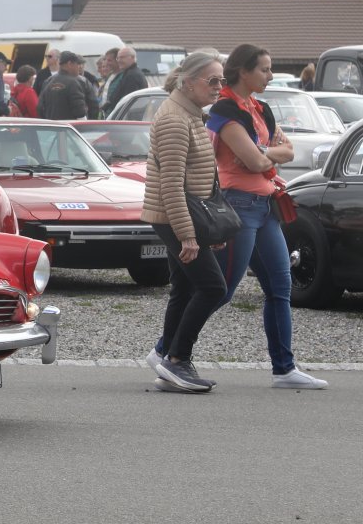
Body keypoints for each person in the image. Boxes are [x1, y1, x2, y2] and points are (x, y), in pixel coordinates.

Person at [206, 44, 327, 389]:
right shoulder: (225, 110)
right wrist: (266, 154)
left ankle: (284, 369)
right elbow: (255, 161)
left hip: (264, 205)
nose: (271, 76)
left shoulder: (259, 108)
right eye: (264, 69)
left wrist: (263, 151)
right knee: (221, 289)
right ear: (243, 71)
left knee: (280, 286)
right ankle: (169, 351)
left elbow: (286, 150)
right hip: (240, 205)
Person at [141, 49, 228, 393]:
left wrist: (206, 230)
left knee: (186, 288)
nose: (219, 86)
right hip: (175, 217)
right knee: (213, 288)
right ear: (189, 82)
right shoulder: (176, 120)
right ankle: (177, 360)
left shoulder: (189, 114)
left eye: (221, 80)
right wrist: (188, 235)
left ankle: (168, 359)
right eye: (212, 80)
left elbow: (195, 178)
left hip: (182, 216)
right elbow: (171, 185)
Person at [38, 51, 100, 120]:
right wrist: (90, 122)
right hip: (71, 125)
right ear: (69, 64)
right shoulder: (78, 82)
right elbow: (85, 109)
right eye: (77, 64)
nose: (79, 67)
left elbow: (40, 108)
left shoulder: (48, 81)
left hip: (52, 125)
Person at [103, 45, 148, 116]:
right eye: (118, 58)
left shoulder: (132, 76)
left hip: (129, 117)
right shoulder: (128, 73)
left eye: (122, 57)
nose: (119, 60)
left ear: (132, 58)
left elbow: (128, 101)